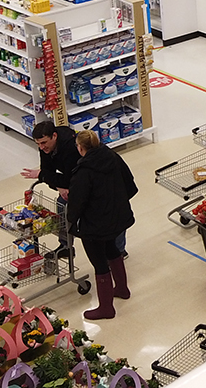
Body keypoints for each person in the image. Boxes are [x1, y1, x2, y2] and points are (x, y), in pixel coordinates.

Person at [21, 121, 129, 258]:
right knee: (62, 204)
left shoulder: (71, 148)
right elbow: (49, 172)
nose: (41, 147)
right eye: (38, 144)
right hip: (84, 182)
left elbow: (69, 179)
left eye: (44, 143)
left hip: (107, 184)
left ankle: (119, 250)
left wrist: (44, 176)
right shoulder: (46, 148)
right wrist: (59, 186)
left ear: (54, 136)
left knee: (112, 213)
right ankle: (65, 246)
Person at [67, 130, 137, 320]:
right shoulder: (112, 157)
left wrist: (72, 220)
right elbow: (130, 184)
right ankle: (122, 289)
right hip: (116, 217)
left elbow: (77, 202)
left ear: (80, 148)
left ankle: (106, 309)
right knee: (113, 250)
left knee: (99, 263)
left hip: (94, 225)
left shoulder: (84, 171)